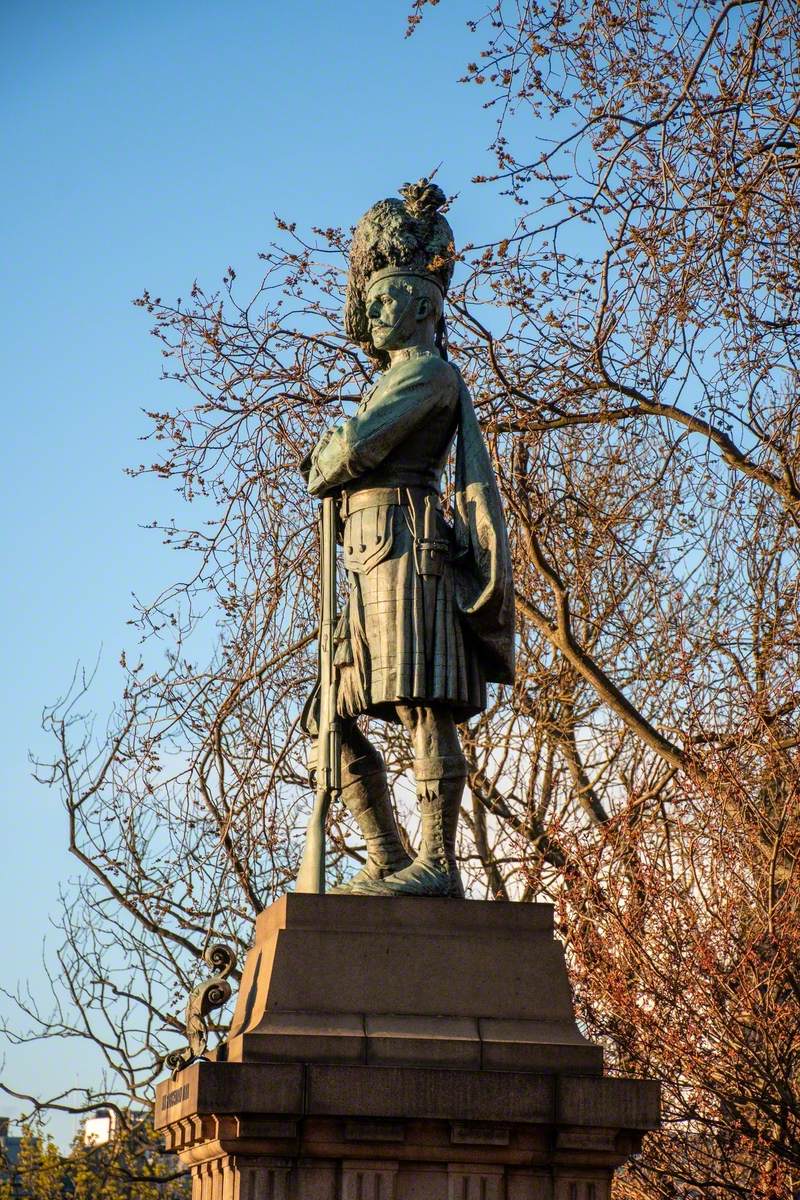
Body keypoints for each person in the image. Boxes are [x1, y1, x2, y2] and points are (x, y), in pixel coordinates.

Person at [303, 182, 515, 897]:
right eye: (370, 298)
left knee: (424, 705)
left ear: (425, 305)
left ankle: (438, 862)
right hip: (365, 555)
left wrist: (331, 451)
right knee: (329, 717)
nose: (372, 307)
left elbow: (346, 453)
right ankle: (389, 854)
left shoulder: (428, 374)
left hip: (405, 547)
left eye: (386, 297)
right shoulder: (389, 380)